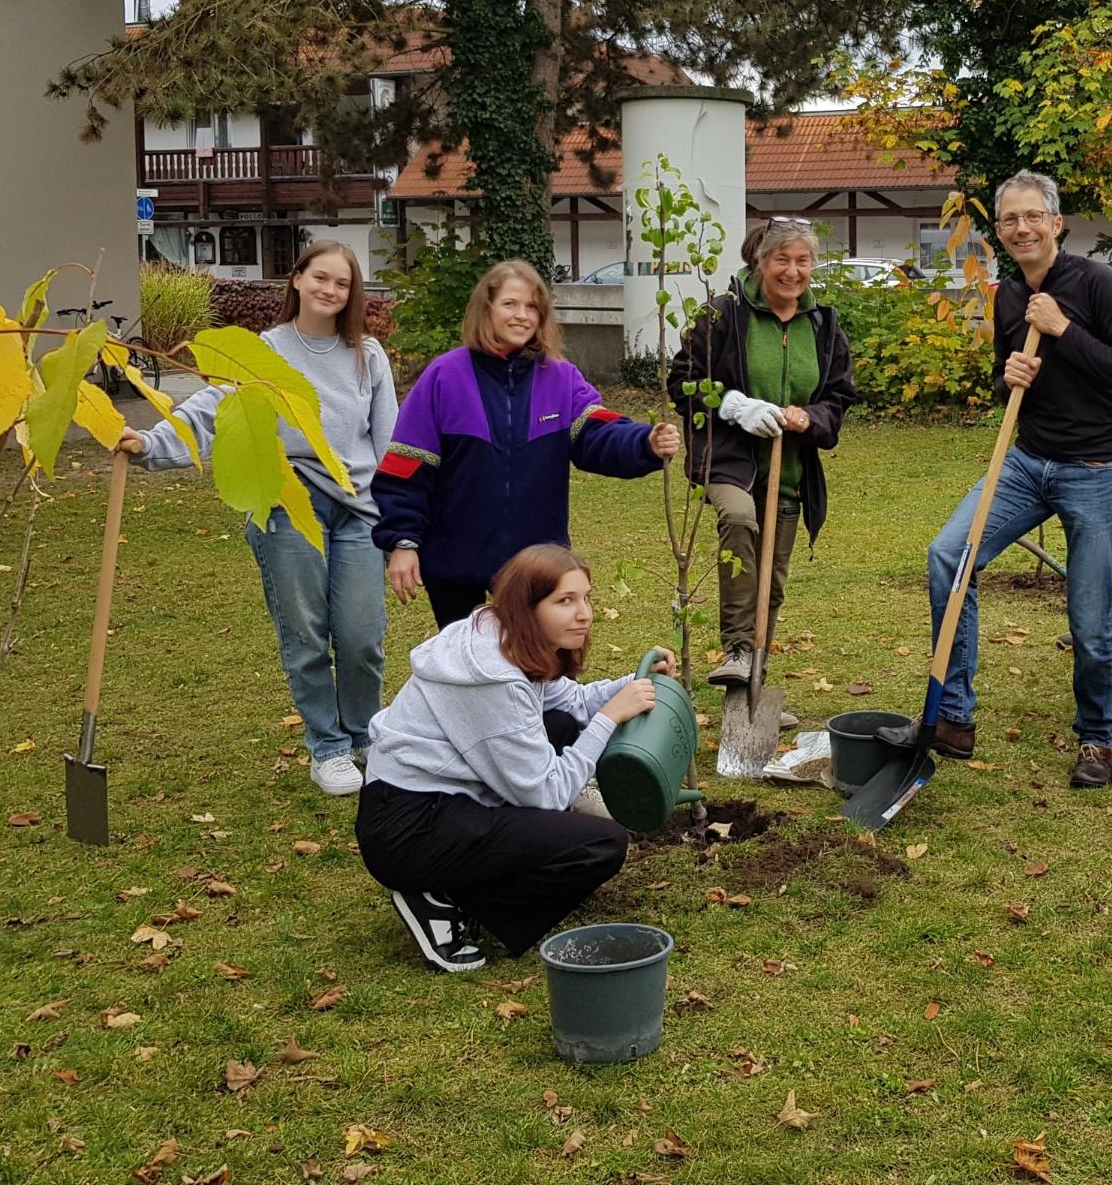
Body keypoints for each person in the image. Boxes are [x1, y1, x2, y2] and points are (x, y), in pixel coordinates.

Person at [119, 241, 396, 797]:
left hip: (360, 510)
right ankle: (329, 746)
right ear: (296, 280)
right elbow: (210, 409)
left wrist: (404, 518)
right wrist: (149, 443)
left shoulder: (368, 355)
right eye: (320, 278)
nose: (330, 291)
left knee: (362, 635)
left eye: (342, 284)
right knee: (307, 633)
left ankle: (365, 734)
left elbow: (390, 439)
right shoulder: (263, 351)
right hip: (288, 503)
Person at [919, 171, 1112, 789]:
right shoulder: (1007, 295)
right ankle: (955, 716)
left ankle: (1096, 738)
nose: (1021, 229)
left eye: (1032, 217)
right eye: (1009, 220)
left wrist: (1064, 332)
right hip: (1027, 462)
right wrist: (1009, 376)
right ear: (1000, 231)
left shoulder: (1096, 283)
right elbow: (1005, 381)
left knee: (1090, 615)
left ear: (1055, 221)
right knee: (949, 557)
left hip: (1098, 467)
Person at [356, 543, 667, 971]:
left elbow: (572, 702)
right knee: (601, 844)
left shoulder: (504, 633)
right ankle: (444, 899)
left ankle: (457, 882)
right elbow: (546, 794)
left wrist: (632, 684)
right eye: (565, 601)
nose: (584, 614)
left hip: (432, 800)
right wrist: (611, 718)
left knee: (557, 723)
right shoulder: (493, 678)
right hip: (411, 829)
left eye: (586, 598)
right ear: (528, 607)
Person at [372, 261, 680, 625]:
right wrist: (403, 541)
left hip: (537, 562)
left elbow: (597, 434)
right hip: (455, 563)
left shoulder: (560, 377)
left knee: (539, 668)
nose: (522, 315)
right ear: (486, 309)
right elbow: (406, 466)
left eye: (532, 307)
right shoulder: (444, 376)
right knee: (467, 676)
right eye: (510, 304)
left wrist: (644, 442)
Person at [668, 218, 858, 709]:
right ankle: (736, 648)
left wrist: (807, 417)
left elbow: (838, 399)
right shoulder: (723, 315)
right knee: (738, 518)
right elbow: (683, 381)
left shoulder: (824, 325)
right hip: (728, 459)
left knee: (771, 583)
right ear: (759, 261)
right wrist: (734, 405)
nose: (793, 271)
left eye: (802, 260)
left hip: (789, 470)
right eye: (782, 259)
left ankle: (751, 689)